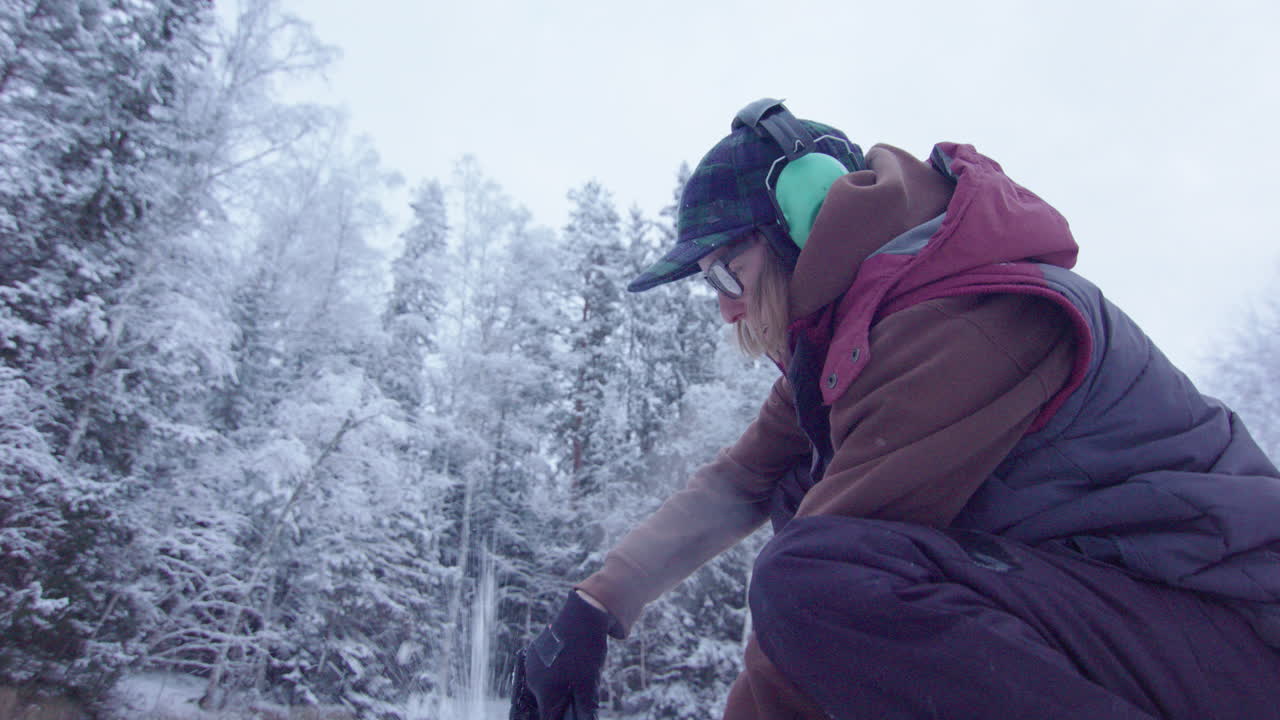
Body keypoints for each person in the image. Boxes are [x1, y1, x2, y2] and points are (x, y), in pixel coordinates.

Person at [509, 98, 1280, 720]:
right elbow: (740, 480)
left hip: (1233, 637)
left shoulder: (957, 324)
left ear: (802, 228)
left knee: (816, 572)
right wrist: (594, 608)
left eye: (726, 275)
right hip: (1145, 630)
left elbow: (818, 608)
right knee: (798, 502)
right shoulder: (858, 336)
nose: (727, 311)